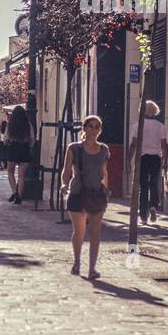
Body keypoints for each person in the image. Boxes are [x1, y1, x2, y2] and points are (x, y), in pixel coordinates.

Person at [61, 116, 109, 279]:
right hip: (77, 194)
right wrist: (64, 184)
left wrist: (106, 188)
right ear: (84, 128)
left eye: (97, 127)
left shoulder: (104, 150)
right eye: (90, 126)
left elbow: (104, 171)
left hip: (96, 194)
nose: (93, 130)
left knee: (95, 232)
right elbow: (66, 170)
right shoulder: (74, 148)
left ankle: (92, 268)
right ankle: (76, 263)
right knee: (79, 232)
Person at [129, 99, 168, 224]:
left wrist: (128, 160)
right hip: (156, 158)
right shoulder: (160, 126)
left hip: (142, 158)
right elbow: (164, 145)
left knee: (143, 186)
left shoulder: (138, 125)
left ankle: (143, 215)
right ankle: (153, 207)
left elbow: (133, 144)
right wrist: (165, 160)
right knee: (154, 184)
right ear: (155, 111)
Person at [4, 103, 33, 204]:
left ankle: (14, 192)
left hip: (13, 148)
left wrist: (9, 143)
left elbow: (5, 139)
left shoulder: (10, 124)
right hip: (24, 149)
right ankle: (19, 197)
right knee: (21, 175)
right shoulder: (28, 125)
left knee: (10, 172)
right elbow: (32, 139)